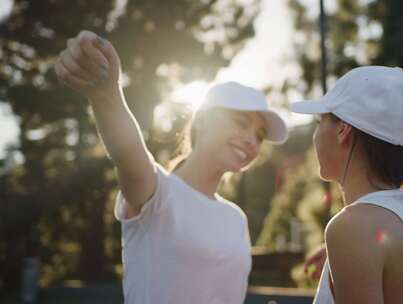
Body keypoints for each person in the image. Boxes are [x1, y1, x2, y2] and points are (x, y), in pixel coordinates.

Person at [55, 30, 288, 304]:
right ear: (202, 120)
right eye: (240, 123)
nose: (251, 140)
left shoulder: (236, 219)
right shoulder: (158, 192)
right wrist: (107, 95)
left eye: (260, 136)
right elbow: (127, 151)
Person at [291, 66, 403, 303]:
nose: (315, 134)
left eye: (320, 121)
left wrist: (350, 242)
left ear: (343, 129)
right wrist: (344, 256)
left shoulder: (352, 228)